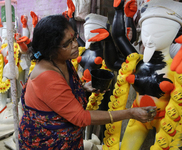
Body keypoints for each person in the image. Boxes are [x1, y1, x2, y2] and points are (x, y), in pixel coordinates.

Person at [18, 14, 156, 149]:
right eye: (67, 43)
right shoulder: (47, 76)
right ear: (50, 50)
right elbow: (81, 118)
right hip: (47, 142)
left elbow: (59, 96)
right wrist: (130, 113)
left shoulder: (61, 61)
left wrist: (82, 88)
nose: (74, 45)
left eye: (74, 37)